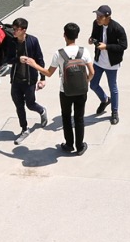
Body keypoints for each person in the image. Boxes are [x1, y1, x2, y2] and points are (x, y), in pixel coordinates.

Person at [38, 21, 94, 155]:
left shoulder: (59, 54)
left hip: (65, 91)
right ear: (77, 35)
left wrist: (34, 64)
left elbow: (49, 73)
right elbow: (92, 72)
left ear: (64, 35)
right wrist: (85, 82)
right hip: (81, 91)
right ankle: (80, 147)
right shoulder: (84, 51)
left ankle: (69, 145)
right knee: (79, 118)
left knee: (66, 117)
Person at [5, 17, 48, 141]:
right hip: (16, 81)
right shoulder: (11, 42)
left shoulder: (33, 41)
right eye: (13, 29)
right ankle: (24, 129)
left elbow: (40, 59)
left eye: (16, 29)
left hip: (29, 81)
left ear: (23, 30)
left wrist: (43, 78)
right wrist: (17, 59)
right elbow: (8, 59)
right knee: (19, 105)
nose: (13, 31)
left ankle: (41, 111)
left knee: (30, 104)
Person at [88, 4, 127, 125]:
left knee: (113, 88)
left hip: (112, 64)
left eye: (100, 16)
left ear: (107, 17)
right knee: (93, 84)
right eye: (97, 15)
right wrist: (91, 39)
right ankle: (105, 99)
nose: (97, 18)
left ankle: (114, 112)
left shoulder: (117, 28)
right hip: (99, 61)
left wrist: (107, 47)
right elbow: (94, 35)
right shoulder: (96, 24)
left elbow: (123, 46)